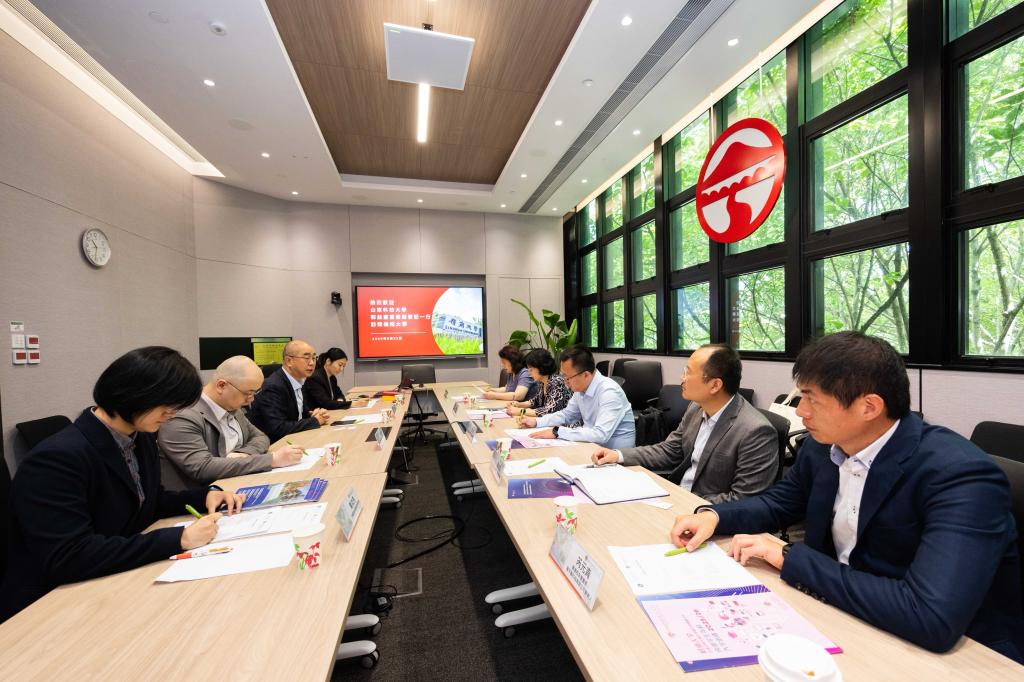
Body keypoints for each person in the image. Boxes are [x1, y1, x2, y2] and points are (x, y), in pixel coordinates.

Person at [668, 332, 1022, 661]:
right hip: (843, 614)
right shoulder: (823, 447)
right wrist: (714, 516)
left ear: (869, 407)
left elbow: (929, 615)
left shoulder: (960, 476)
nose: (800, 412)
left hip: (955, 653)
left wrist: (789, 557)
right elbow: (779, 503)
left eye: (812, 399)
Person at [0, 347, 246, 622]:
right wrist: (178, 538)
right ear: (133, 395)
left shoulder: (140, 437)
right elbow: (69, 556)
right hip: (48, 605)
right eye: (167, 405)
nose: (172, 414)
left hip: (111, 581)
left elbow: (147, 502)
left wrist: (205, 496)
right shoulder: (56, 458)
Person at [591, 344, 777, 503]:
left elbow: (743, 500)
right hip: (677, 497)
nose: (682, 378)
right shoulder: (696, 407)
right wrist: (618, 455)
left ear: (715, 385)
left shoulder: (755, 431)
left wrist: (683, 501)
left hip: (707, 514)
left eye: (688, 372)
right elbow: (670, 450)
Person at [158, 356, 305, 489]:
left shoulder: (231, 406)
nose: (251, 399)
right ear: (221, 385)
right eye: (248, 393)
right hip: (203, 497)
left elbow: (260, 437)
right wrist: (271, 460)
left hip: (237, 483)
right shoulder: (182, 416)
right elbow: (203, 468)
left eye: (255, 393)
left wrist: (243, 453)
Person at [521, 345, 635, 449]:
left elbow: (600, 435)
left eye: (568, 377)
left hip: (615, 455)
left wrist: (557, 432)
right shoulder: (581, 389)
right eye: (563, 376)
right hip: (591, 447)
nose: (565, 381)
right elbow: (567, 415)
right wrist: (537, 422)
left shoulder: (609, 392)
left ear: (585, 375)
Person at [247, 340, 331, 443]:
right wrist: (315, 421)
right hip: (276, 445)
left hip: (296, 439)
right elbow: (277, 428)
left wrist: (313, 415)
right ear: (289, 361)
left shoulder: (300, 380)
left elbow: (298, 416)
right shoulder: (273, 386)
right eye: (306, 358)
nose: (312, 363)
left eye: (314, 358)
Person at [505, 348, 573, 421]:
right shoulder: (542, 382)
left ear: (541, 367)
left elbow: (549, 410)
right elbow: (535, 401)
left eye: (531, 369)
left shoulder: (556, 382)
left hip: (566, 423)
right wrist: (519, 404)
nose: (529, 372)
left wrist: (521, 411)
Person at [303, 348, 368, 411]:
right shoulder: (315, 378)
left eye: (343, 366)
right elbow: (325, 403)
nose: (341, 369)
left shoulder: (332, 377)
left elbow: (339, 394)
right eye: (340, 365)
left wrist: (340, 401)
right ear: (328, 361)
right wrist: (351, 404)